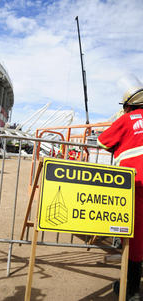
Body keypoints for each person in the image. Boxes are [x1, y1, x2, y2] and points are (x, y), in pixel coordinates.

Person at [97, 75, 143, 301]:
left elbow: (102, 142)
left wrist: (119, 120)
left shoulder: (126, 120)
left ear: (127, 106)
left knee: (134, 238)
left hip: (136, 185)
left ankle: (131, 290)